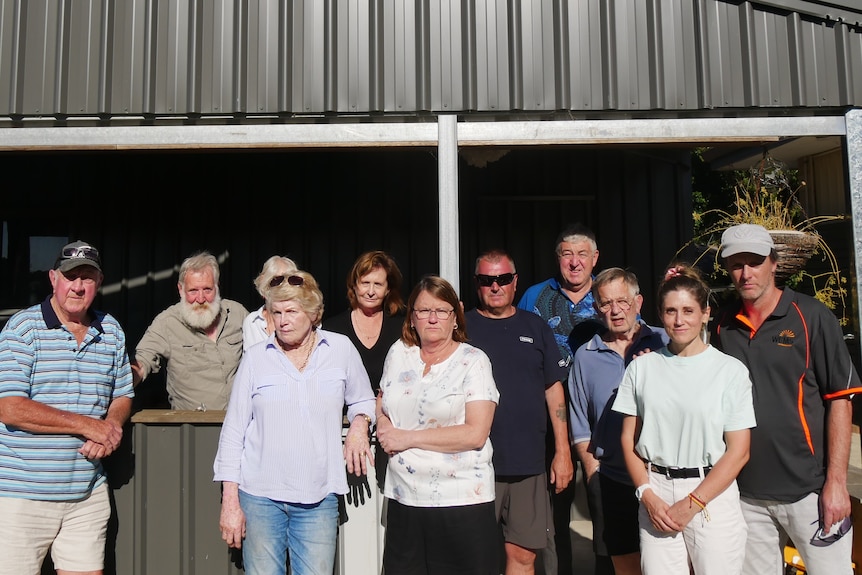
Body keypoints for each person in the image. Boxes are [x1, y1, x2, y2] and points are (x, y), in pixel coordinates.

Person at [711, 223, 862, 575]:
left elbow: (840, 400)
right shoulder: (722, 325)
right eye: (736, 264)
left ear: (774, 263)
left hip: (810, 491)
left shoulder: (813, 317)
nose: (746, 273)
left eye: (754, 262)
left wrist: (836, 484)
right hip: (745, 493)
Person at [213, 269, 376, 575]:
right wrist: (230, 502)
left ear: (313, 314)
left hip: (318, 498)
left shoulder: (340, 349)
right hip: (260, 498)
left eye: (291, 312)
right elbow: (234, 432)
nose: (282, 320)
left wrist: (359, 425)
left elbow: (364, 400)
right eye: (276, 312)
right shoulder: (256, 358)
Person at [0, 240, 134, 575]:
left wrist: (111, 427)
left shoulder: (111, 330)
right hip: (21, 496)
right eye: (70, 276)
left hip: (86, 494)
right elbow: (10, 408)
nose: (77, 286)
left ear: (99, 282)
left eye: (87, 277)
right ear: (53, 278)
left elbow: (122, 395)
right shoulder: (22, 329)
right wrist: (90, 426)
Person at [613, 263, 755, 575]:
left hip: (711, 495)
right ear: (660, 314)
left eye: (688, 311)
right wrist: (647, 495)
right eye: (671, 311)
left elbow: (739, 451)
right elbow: (628, 440)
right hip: (656, 494)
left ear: (705, 313)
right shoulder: (641, 369)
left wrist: (693, 503)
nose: (679, 320)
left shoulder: (729, 371)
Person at [376, 275, 501, 575]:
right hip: (405, 498)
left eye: (442, 311)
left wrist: (405, 438)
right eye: (423, 310)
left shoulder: (474, 361)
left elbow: (475, 433)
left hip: (460, 500)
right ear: (412, 318)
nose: (432, 318)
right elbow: (383, 397)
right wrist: (381, 422)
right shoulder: (399, 353)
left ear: (455, 317)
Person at [465, 249, 571, 575]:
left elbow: (553, 389)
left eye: (503, 278)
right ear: (477, 283)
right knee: (475, 558)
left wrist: (563, 451)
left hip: (528, 465)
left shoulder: (536, 327)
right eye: (487, 280)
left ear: (515, 282)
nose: (495, 286)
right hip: (473, 465)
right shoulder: (462, 329)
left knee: (524, 556)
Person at [569, 267, 668, 575]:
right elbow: (579, 423)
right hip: (612, 480)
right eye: (606, 303)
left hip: (663, 479)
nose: (615, 310)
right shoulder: (586, 356)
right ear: (597, 309)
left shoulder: (665, 342)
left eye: (622, 301)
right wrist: (593, 473)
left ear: (638, 302)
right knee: (620, 565)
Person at [517, 222, 603, 575]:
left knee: (604, 505)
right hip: (549, 418)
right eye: (567, 254)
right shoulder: (535, 296)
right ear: (558, 258)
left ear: (595, 258)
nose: (575, 262)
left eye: (582, 254)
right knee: (555, 509)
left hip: (601, 417)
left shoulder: (609, 293)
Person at [326, 250, 406, 502]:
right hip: (344, 433)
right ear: (354, 285)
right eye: (365, 283)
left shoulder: (403, 327)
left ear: (388, 288)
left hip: (392, 432)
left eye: (378, 284)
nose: (371, 291)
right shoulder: (332, 329)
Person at [132, 251, 249, 410]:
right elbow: (142, 362)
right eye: (193, 291)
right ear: (180, 289)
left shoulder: (237, 314)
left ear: (217, 287)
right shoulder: (167, 323)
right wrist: (121, 384)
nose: (200, 299)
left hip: (240, 421)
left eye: (207, 290)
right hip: (192, 424)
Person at [242, 255, 299, 351]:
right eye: (277, 282)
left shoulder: (301, 319)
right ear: (264, 285)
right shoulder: (252, 322)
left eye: (290, 282)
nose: (283, 288)